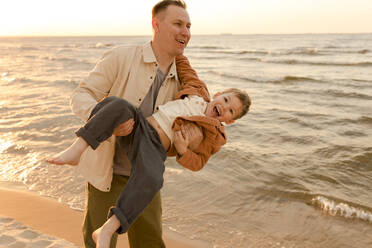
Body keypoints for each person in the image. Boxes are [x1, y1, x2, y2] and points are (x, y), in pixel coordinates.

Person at [68, 1, 203, 247]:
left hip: (145, 177)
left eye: (189, 26)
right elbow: (80, 95)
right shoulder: (122, 56)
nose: (186, 32)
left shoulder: (183, 84)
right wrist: (106, 124)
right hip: (106, 172)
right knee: (97, 242)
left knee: (150, 242)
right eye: (178, 24)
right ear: (156, 24)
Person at [47, 85, 251, 248]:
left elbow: (198, 162)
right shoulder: (197, 92)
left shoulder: (215, 136)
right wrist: (178, 43)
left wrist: (182, 150)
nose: (224, 107)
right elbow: (184, 65)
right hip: (140, 126)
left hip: (154, 146)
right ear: (218, 94)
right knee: (116, 104)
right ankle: (77, 148)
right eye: (225, 100)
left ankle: (108, 228)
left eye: (230, 110)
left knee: (153, 177)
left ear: (230, 121)